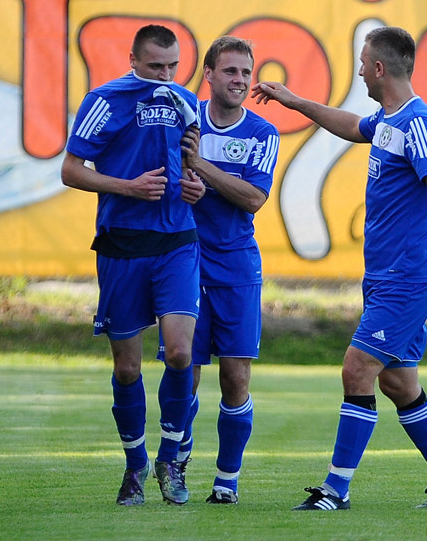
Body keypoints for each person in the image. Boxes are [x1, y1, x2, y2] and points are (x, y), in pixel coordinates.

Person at [251, 26, 427, 510]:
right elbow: (353, 126)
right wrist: (295, 101)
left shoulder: (418, 123)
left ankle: (336, 490)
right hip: (384, 276)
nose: (358, 72)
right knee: (397, 381)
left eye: (362, 63)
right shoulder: (389, 120)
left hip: (407, 277)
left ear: (377, 68)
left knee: (357, 368)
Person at [60, 24, 204, 505]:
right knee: (127, 367)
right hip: (122, 244)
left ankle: (170, 459)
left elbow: (191, 166)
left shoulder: (186, 102)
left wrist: (196, 187)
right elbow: (71, 170)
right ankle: (135, 465)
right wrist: (128, 187)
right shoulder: (104, 100)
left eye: (173, 66)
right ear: (133, 60)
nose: (165, 75)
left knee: (180, 352)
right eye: (155, 66)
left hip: (177, 241)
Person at [167, 36, 279, 505]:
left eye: (246, 73)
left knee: (235, 378)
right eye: (230, 71)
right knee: (184, 371)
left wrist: (201, 168)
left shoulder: (262, 133)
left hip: (235, 266)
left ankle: (226, 480)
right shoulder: (182, 120)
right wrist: (182, 183)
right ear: (209, 74)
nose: (240, 80)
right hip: (183, 262)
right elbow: (163, 176)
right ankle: (178, 458)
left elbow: (254, 198)